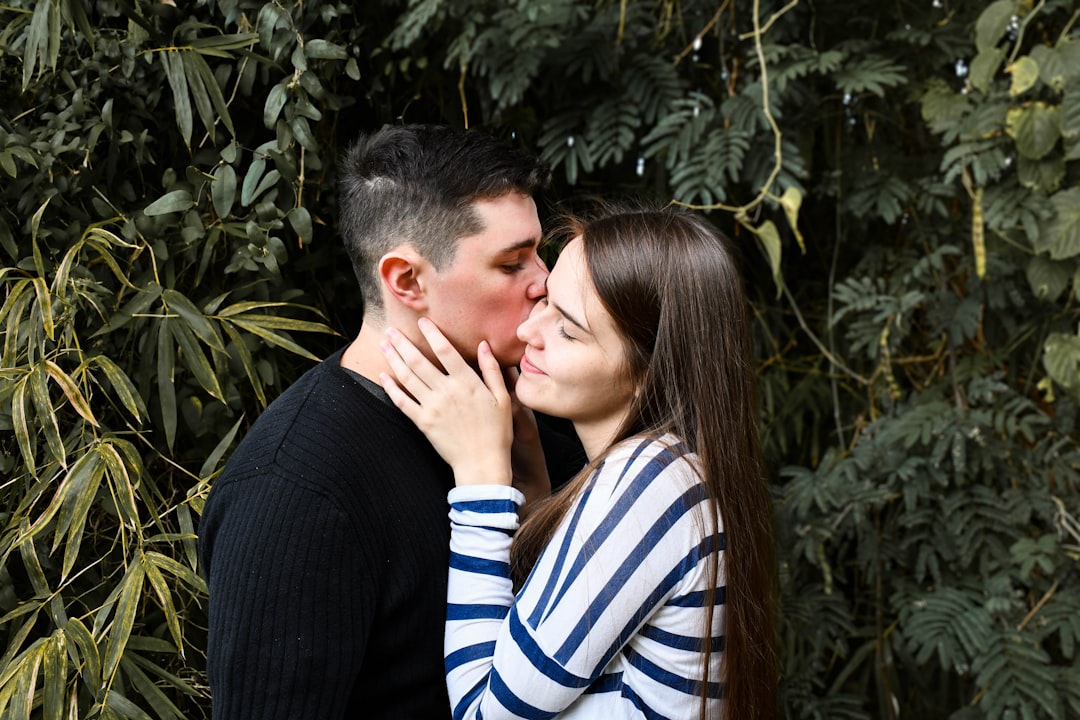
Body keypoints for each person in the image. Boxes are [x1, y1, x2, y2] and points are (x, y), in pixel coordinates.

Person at [197, 123, 583, 719]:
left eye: (539, 251)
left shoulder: (541, 432)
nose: (546, 282)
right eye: (513, 264)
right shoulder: (297, 490)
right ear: (407, 281)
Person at [379, 206, 779, 719]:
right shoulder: (670, 474)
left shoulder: (652, 481)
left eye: (569, 331)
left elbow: (483, 713)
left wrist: (481, 480)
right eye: (546, 301)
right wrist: (531, 484)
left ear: (648, 371)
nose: (529, 331)